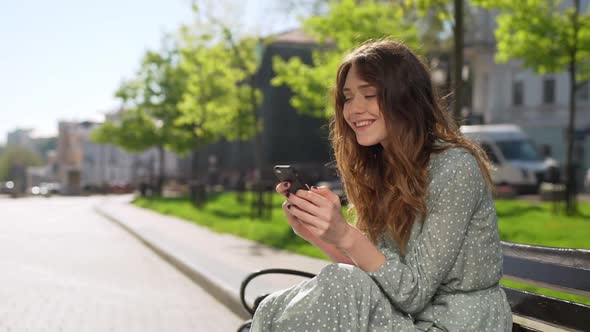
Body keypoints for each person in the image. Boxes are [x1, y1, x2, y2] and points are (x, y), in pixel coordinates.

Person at [251, 39, 512, 331]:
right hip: (408, 318)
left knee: (340, 283)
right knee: (271, 305)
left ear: (406, 98)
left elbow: (412, 293)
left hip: (456, 323)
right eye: (348, 97)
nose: (354, 109)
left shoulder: (455, 168)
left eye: (370, 94)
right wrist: (319, 234)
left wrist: (346, 234)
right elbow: (379, 273)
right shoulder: (383, 170)